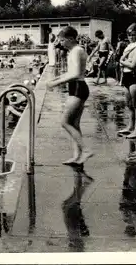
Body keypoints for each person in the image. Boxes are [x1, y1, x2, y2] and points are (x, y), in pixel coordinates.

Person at [46, 26, 93, 166]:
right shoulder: (74, 51)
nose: (60, 43)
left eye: (62, 40)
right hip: (77, 88)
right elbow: (70, 72)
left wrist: (56, 83)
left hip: (78, 88)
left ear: (71, 39)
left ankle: (85, 150)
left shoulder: (77, 51)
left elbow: (76, 73)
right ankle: (76, 157)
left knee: (65, 122)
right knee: (74, 124)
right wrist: (55, 79)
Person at [117, 24, 136, 139]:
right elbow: (127, 63)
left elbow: (133, 65)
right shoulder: (129, 46)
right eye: (129, 35)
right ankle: (130, 127)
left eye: (133, 35)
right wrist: (125, 61)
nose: (131, 37)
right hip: (126, 76)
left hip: (134, 76)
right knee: (129, 104)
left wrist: (122, 60)